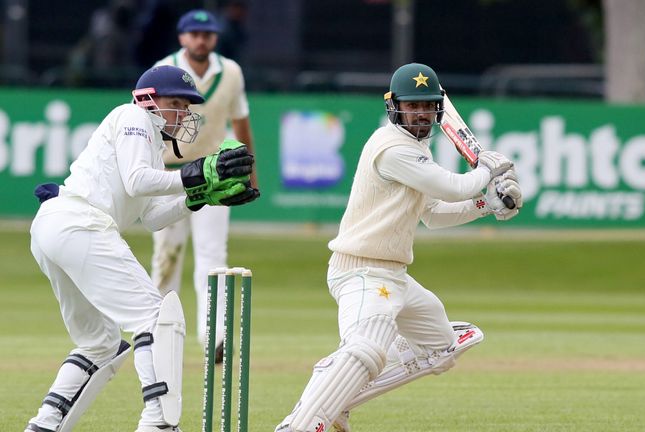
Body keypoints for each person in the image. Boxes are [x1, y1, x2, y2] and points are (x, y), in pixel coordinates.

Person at [274, 63, 523, 432]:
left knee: (442, 346)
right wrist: (488, 170)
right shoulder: (391, 148)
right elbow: (454, 187)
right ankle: (301, 424)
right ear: (395, 107)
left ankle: (337, 396)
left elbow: (435, 215)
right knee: (367, 348)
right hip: (360, 271)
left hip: (394, 275)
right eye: (412, 105)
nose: (420, 112)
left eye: (426, 105)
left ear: (438, 109)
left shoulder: (417, 150)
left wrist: (488, 204)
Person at [24, 65, 257, 432]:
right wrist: (197, 172)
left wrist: (201, 196)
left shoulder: (150, 143)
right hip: (80, 223)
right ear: (148, 99)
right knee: (156, 318)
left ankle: (45, 424)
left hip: (55, 228)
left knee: (100, 344)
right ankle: (159, 423)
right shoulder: (133, 116)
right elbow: (136, 181)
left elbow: (149, 216)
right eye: (175, 102)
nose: (183, 112)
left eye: (186, 105)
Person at [150, 9, 257, 362]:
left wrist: (248, 172)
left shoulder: (231, 72)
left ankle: (215, 336)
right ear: (182, 38)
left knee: (213, 255)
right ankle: (159, 330)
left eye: (207, 34)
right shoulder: (164, 68)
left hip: (215, 174)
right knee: (167, 256)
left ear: (215, 38)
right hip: (169, 176)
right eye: (193, 33)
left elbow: (241, 122)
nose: (200, 40)